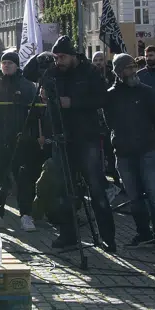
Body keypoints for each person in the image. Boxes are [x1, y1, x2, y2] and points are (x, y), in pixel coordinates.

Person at [36, 36, 116, 251]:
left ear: (73, 56)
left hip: (86, 137)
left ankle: (108, 237)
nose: (58, 61)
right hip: (62, 138)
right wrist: (46, 98)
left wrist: (73, 103)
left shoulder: (89, 73)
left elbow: (102, 99)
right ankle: (68, 234)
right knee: (64, 190)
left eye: (62, 57)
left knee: (96, 188)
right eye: (56, 57)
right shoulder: (52, 73)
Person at [103, 53, 155, 251]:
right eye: (127, 68)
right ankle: (143, 233)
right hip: (123, 152)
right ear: (118, 72)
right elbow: (109, 123)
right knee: (134, 196)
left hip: (147, 150)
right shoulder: (111, 95)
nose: (132, 71)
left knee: (154, 195)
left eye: (133, 67)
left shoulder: (147, 92)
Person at [0, 49, 39, 232]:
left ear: (17, 66)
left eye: (10, 63)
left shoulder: (28, 86)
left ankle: (25, 214)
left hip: (22, 140)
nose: (6, 66)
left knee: (23, 179)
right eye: (4, 63)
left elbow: (36, 113)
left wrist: (32, 135)